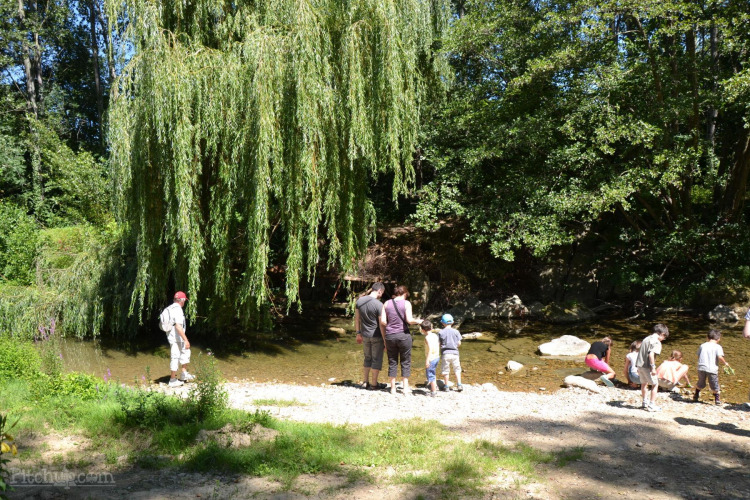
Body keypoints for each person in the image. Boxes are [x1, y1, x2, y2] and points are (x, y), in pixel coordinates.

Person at [380, 285, 421, 395]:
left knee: (392, 361)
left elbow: (383, 322)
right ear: (405, 293)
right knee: (405, 361)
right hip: (403, 336)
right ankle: (405, 388)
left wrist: (390, 326)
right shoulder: (406, 303)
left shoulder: (387, 303)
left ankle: (393, 388)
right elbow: (409, 320)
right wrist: (419, 321)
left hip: (390, 336)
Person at [354, 282, 385, 390]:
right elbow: (381, 324)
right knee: (376, 359)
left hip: (364, 335)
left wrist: (358, 333)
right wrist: (385, 340)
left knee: (367, 358)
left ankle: (365, 382)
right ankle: (374, 384)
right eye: (382, 293)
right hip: (377, 335)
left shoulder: (360, 301)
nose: (382, 295)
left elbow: (357, 319)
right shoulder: (379, 305)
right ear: (379, 291)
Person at [162, 291, 193, 388]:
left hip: (172, 336)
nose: (184, 303)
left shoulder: (169, 308)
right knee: (175, 356)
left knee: (185, 352)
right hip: (176, 337)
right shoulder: (178, 310)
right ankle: (172, 380)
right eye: (184, 300)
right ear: (182, 300)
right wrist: (186, 340)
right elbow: (178, 327)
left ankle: (183, 374)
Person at [635, 323, 670, 412]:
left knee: (644, 383)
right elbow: (651, 354)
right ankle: (651, 405)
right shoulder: (656, 342)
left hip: (639, 365)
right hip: (647, 366)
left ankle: (644, 402)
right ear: (662, 334)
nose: (663, 339)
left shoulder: (646, 339)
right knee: (655, 384)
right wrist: (653, 367)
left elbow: (641, 352)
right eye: (664, 337)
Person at [693, 329, 731, 406]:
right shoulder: (718, 347)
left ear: (707, 337)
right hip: (712, 369)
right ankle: (717, 399)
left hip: (701, 367)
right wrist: (725, 363)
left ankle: (696, 395)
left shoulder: (702, 345)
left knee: (701, 382)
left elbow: (698, 356)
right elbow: (720, 357)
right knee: (714, 384)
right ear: (719, 339)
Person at [438, 313, 463, 392]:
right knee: (457, 369)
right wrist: (455, 346)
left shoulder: (441, 332)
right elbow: (459, 343)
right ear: (452, 322)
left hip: (445, 354)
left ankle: (446, 386)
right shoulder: (456, 332)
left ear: (442, 323)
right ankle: (459, 384)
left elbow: (439, 344)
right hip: (455, 354)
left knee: (445, 370)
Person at [420, 320, 439, 397]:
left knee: (430, 375)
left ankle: (433, 392)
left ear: (423, 330)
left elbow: (430, 349)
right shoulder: (435, 335)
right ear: (431, 327)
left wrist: (427, 360)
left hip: (431, 359)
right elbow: (438, 344)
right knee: (433, 372)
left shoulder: (427, 338)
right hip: (436, 357)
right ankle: (435, 387)